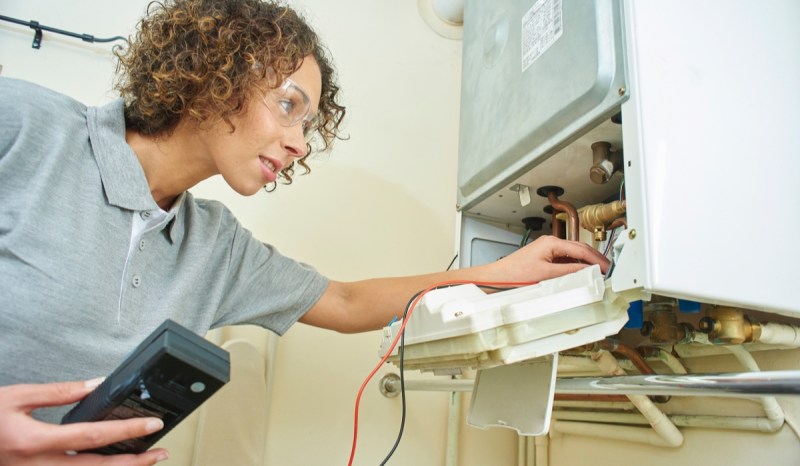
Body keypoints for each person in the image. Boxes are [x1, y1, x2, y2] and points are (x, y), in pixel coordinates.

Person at [0, 0, 609, 464]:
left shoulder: (213, 245)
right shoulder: (26, 128)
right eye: (289, 105)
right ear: (214, 72)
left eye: (310, 124)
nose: (298, 143)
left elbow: (343, 301)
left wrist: (495, 274)